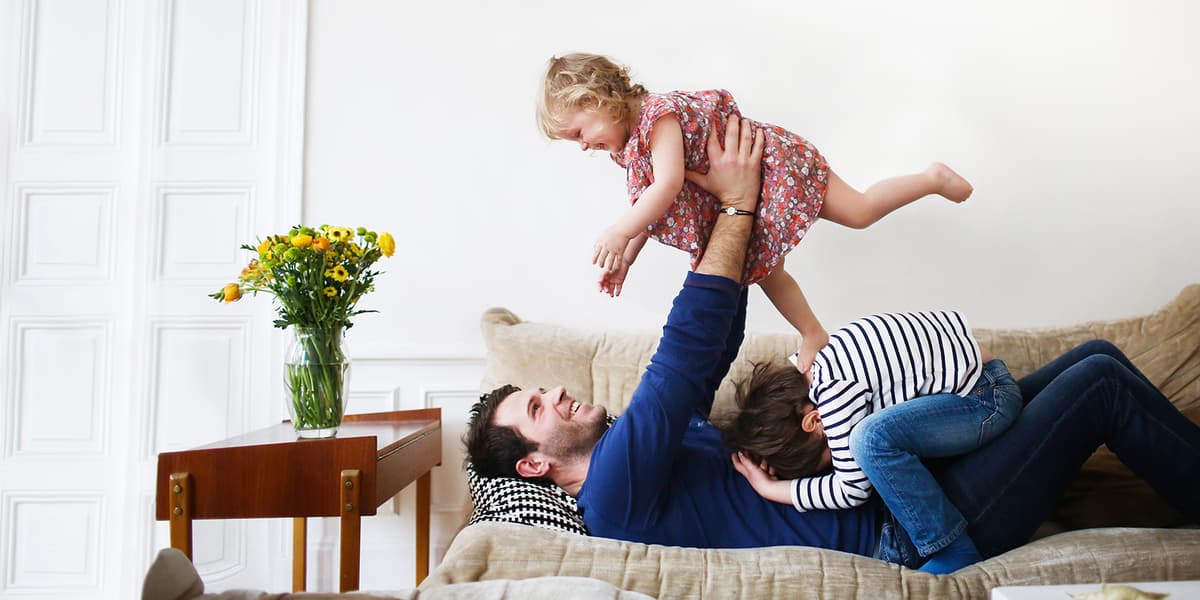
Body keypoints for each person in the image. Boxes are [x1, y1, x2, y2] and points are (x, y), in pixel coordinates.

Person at [465, 116, 1200, 569]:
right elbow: (681, 355)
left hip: (910, 476)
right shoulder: (612, 490)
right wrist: (738, 203)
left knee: (1095, 359)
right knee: (1098, 387)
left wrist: (720, 222)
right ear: (534, 464)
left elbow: (712, 341)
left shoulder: (645, 450)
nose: (554, 392)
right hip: (908, 526)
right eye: (536, 407)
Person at [536, 52, 975, 372]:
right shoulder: (630, 148)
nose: (583, 146)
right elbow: (647, 207)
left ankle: (931, 178)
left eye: (578, 133)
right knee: (765, 271)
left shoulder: (658, 116)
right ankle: (813, 333)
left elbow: (667, 185)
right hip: (743, 196)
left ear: (598, 98)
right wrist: (626, 258)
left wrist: (618, 231)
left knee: (859, 211)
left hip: (771, 168)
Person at [723, 313, 1023, 573]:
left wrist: (770, 489)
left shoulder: (832, 396)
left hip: (985, 400)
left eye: (826, 457)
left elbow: (852, 489)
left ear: (813, 423)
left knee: (868, 441)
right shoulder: (815, 362)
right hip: (982, 381)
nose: (837, 460)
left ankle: (951, 549)